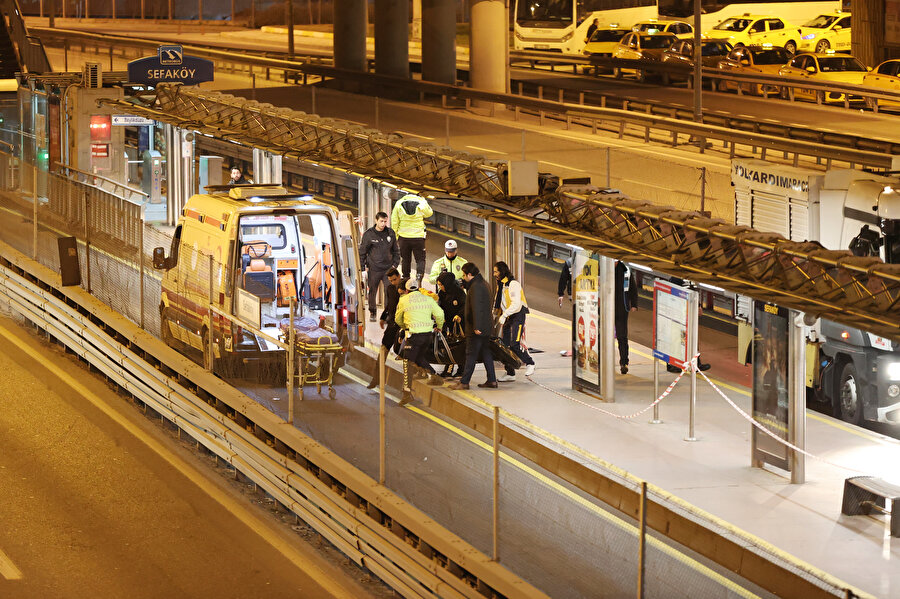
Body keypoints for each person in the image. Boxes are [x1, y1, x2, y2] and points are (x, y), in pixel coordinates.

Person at [394, 278, 445, 405]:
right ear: (418, 288)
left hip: (413, 335)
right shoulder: (428, 299)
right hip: (427, 335)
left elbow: (397, 319)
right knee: (418, 357)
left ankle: (407, 393)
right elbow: (440, 314)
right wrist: (439, 326)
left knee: (407, 362)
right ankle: (434, 375)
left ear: (406, 290)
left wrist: (404, 327)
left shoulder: (403, 300)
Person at [450, 263, 498, 391]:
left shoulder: (475, 287)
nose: (463, 278)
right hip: (486, 326)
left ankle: (464, 382)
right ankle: (492, 380)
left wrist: (477, 326)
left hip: (476, 328)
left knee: (470, 354)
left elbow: (477, 308)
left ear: (469, 275)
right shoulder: (483, 283)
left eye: (464, 275)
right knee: (486, 353)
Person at [493, 261, 536, 381]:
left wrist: (504, 315)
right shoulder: (501, 285)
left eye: (496, 271)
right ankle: (510, 373)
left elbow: (516, 304)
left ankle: (530, 363)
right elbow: (499, 301)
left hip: (518, 315)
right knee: (505, 346)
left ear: (502, 272)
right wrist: (496, 313)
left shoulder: (513, 284)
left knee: (515, 344)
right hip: (509, 316)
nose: (494, 274)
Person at [358, 211, 401, 322]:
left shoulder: (390, 233)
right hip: (374, 269)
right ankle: (373, 312)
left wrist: (395, 265)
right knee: (372, 291)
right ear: (376, 220)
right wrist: (362, 268)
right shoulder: (369, 235)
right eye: (381, 221)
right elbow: (362, 252)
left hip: (388, 269)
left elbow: (396, 250)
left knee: (389, 292)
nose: (383, 224)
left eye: (385, 221)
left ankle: (387, 314)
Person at [666, 276, 711, 373]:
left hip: (688, 311)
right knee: (676, 339)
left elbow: (694, 291)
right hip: (678, 312)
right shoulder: (676, 277)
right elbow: (672, 293)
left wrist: (698, 306)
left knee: (692, 338)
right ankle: (672, 364)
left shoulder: (690, 275)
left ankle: (696, 363)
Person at [366, 268, 403, 390]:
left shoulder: (407, 287)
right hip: (392, 324)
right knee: (383, 350)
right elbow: (389, 305)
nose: (393, 282)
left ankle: (422, 372)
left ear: (399, 276)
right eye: (390, 280)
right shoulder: (390, 288)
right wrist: (383, 317)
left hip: (403, 325)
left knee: (408, 353)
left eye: (394, 279)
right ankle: (376, 378)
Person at [390, 193, 433, 286]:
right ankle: (419, 278)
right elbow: (429, 213)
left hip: (403, 237)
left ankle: (406, 278)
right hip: (418, 237)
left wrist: (396, 236)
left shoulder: (399, 203)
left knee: (405, 259)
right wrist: (424, 201)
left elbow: (394, 221)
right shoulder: (421, 202)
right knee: (420, 259)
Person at [436, 270, 466, 377]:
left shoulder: (459, 293)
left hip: (459, 324)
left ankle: (461, 370)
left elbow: (465, 306)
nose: (440, 287)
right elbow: (440, 306)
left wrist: (459, 315)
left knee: (459, 348)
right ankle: (448, 371)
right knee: (450, 348)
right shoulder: (441, 293)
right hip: (448, 325)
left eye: (441, 285)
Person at [615, 261, 638, 374]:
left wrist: (634, 304)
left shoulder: (626, 271)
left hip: (621, 308)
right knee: (602, 336)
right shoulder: (601, 267)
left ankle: (624, 363)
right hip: (605, 308)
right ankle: (600, 361)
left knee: (622, 336)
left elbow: (633, 288)